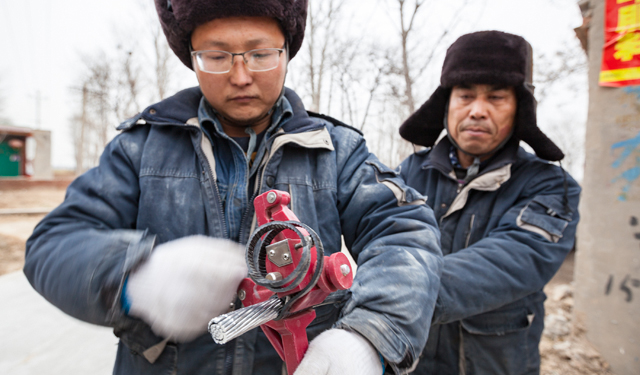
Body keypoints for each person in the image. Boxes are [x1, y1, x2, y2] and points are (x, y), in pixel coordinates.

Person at [24, 1, 442, 375]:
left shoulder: (336, 151)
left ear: (287, 51)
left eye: (260, 54)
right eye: (217, 56)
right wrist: (135, 277)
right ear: (192, 57)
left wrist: (369, 335)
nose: (240, 76)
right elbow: (54, 244)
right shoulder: (140, 148)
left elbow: (405, 233)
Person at [398, 31, 581, 375]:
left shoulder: (552, 185)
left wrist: (398, 290)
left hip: (493, 362)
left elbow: (514, 258)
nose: (478, 111)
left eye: (496, 97)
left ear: (519, 109)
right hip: (412, 360)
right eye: (465, 95)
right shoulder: (409, 173)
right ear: (446, 105)